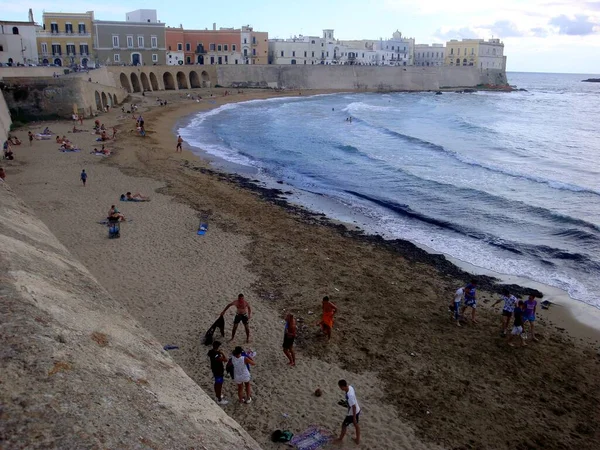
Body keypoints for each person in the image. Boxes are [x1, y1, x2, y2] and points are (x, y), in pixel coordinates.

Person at [335, 380, 361, 445]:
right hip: (358, 410)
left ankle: (340, 439)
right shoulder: (350, 387)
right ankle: (357, 440)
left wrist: (354, 418)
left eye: (340, 387)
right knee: (356, 425)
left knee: (344, 425)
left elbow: (353, 406)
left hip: (352, 413)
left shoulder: (349, 396)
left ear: (342, 387)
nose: (340, 388)